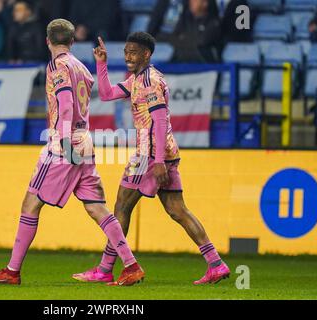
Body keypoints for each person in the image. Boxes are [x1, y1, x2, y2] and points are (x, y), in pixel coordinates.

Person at [0, 19, 145, 286]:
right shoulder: (81, 67)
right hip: (85, 140)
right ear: (72, 41)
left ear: (47, 41)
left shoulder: (58, 66)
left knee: (31, 204)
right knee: (97, 208)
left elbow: (66, 105)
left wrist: (65, 143)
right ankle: (131, 265)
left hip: (63, 143)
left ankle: (12, 271)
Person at [72, 32, 230, 285]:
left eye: (133, 52)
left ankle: (105, 269)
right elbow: (107, 94)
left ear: (147, 54)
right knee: (177, 210)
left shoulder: (149, 82)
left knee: (121, 207)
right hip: (164, 152)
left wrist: (156, 161)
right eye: (125, 51)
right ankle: (216, 264)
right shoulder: (137, 79)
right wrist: (102, 63)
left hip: (149, 154)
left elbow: (158, 121)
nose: (128, 56)